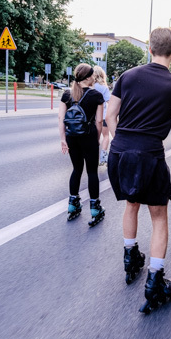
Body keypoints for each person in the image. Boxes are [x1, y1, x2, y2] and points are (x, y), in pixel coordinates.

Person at [106, 27, 171, 313]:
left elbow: (110, 115)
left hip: (120, 152)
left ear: (149, 48)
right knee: (158, 217)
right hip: (149, 155)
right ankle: (155, 282)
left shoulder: (127, 76)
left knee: (131, 204)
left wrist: (119, 143)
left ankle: (130, 258)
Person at [58, 63, 105, 226]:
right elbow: (99, 120)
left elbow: (61, 118)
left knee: (76, 170)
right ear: (87, 77)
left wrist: (63, 139)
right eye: (92, 75)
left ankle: (73, 205)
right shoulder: (96, 95)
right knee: (92, 172)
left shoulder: (67, 94)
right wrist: (97, 138)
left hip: (72, 137)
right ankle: (95, 209)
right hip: (89, 136)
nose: (94, 77)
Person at [92, 66, 111, 166]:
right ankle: (103, 157)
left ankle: (92, 157)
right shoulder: (104, 88)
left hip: (91, 117)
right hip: (103, 116)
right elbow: (109, 101)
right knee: (106, 136)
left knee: (94, 137)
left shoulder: (90, 87)